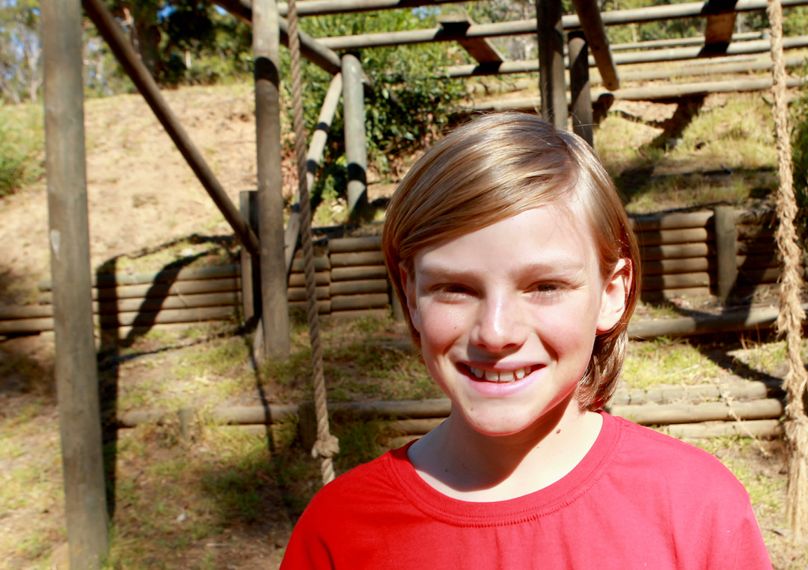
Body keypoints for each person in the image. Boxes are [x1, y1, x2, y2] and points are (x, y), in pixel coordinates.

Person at [280, 113, 772, 569]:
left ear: (611, 294)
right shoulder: (339, 532)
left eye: (545, 287)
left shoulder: (697, 507)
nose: (496, 333)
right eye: (455, 288)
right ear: (410, 295)